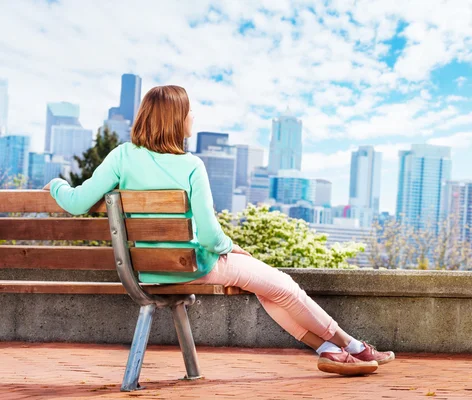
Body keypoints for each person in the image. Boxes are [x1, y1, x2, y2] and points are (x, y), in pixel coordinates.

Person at [43, 85, 394, 376]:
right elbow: (210, 238)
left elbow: (76, 202)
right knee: (284, 287)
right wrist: (233, 247)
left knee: (269, 289)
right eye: (189, 110)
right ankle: (354, 346)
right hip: (195, 265)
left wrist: (56, 185)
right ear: (175, 119)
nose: (193, 116)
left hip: (145, 269)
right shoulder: (192, 165)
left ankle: (331, 349)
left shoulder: (121, 157)